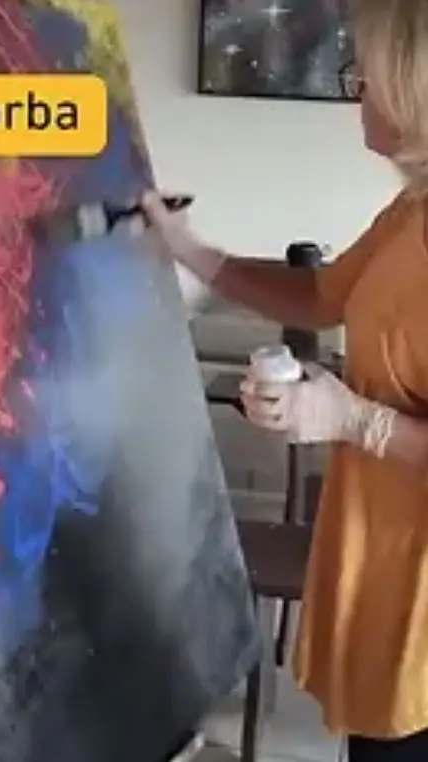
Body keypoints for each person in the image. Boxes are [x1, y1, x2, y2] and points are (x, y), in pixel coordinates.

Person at [141, 0, 428, 759]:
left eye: (365, 73)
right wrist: (188, 250)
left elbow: (363, 411)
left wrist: (352, 420)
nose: (354, 88)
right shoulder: (413, 211)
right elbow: (319, 294)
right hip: (384, 556)